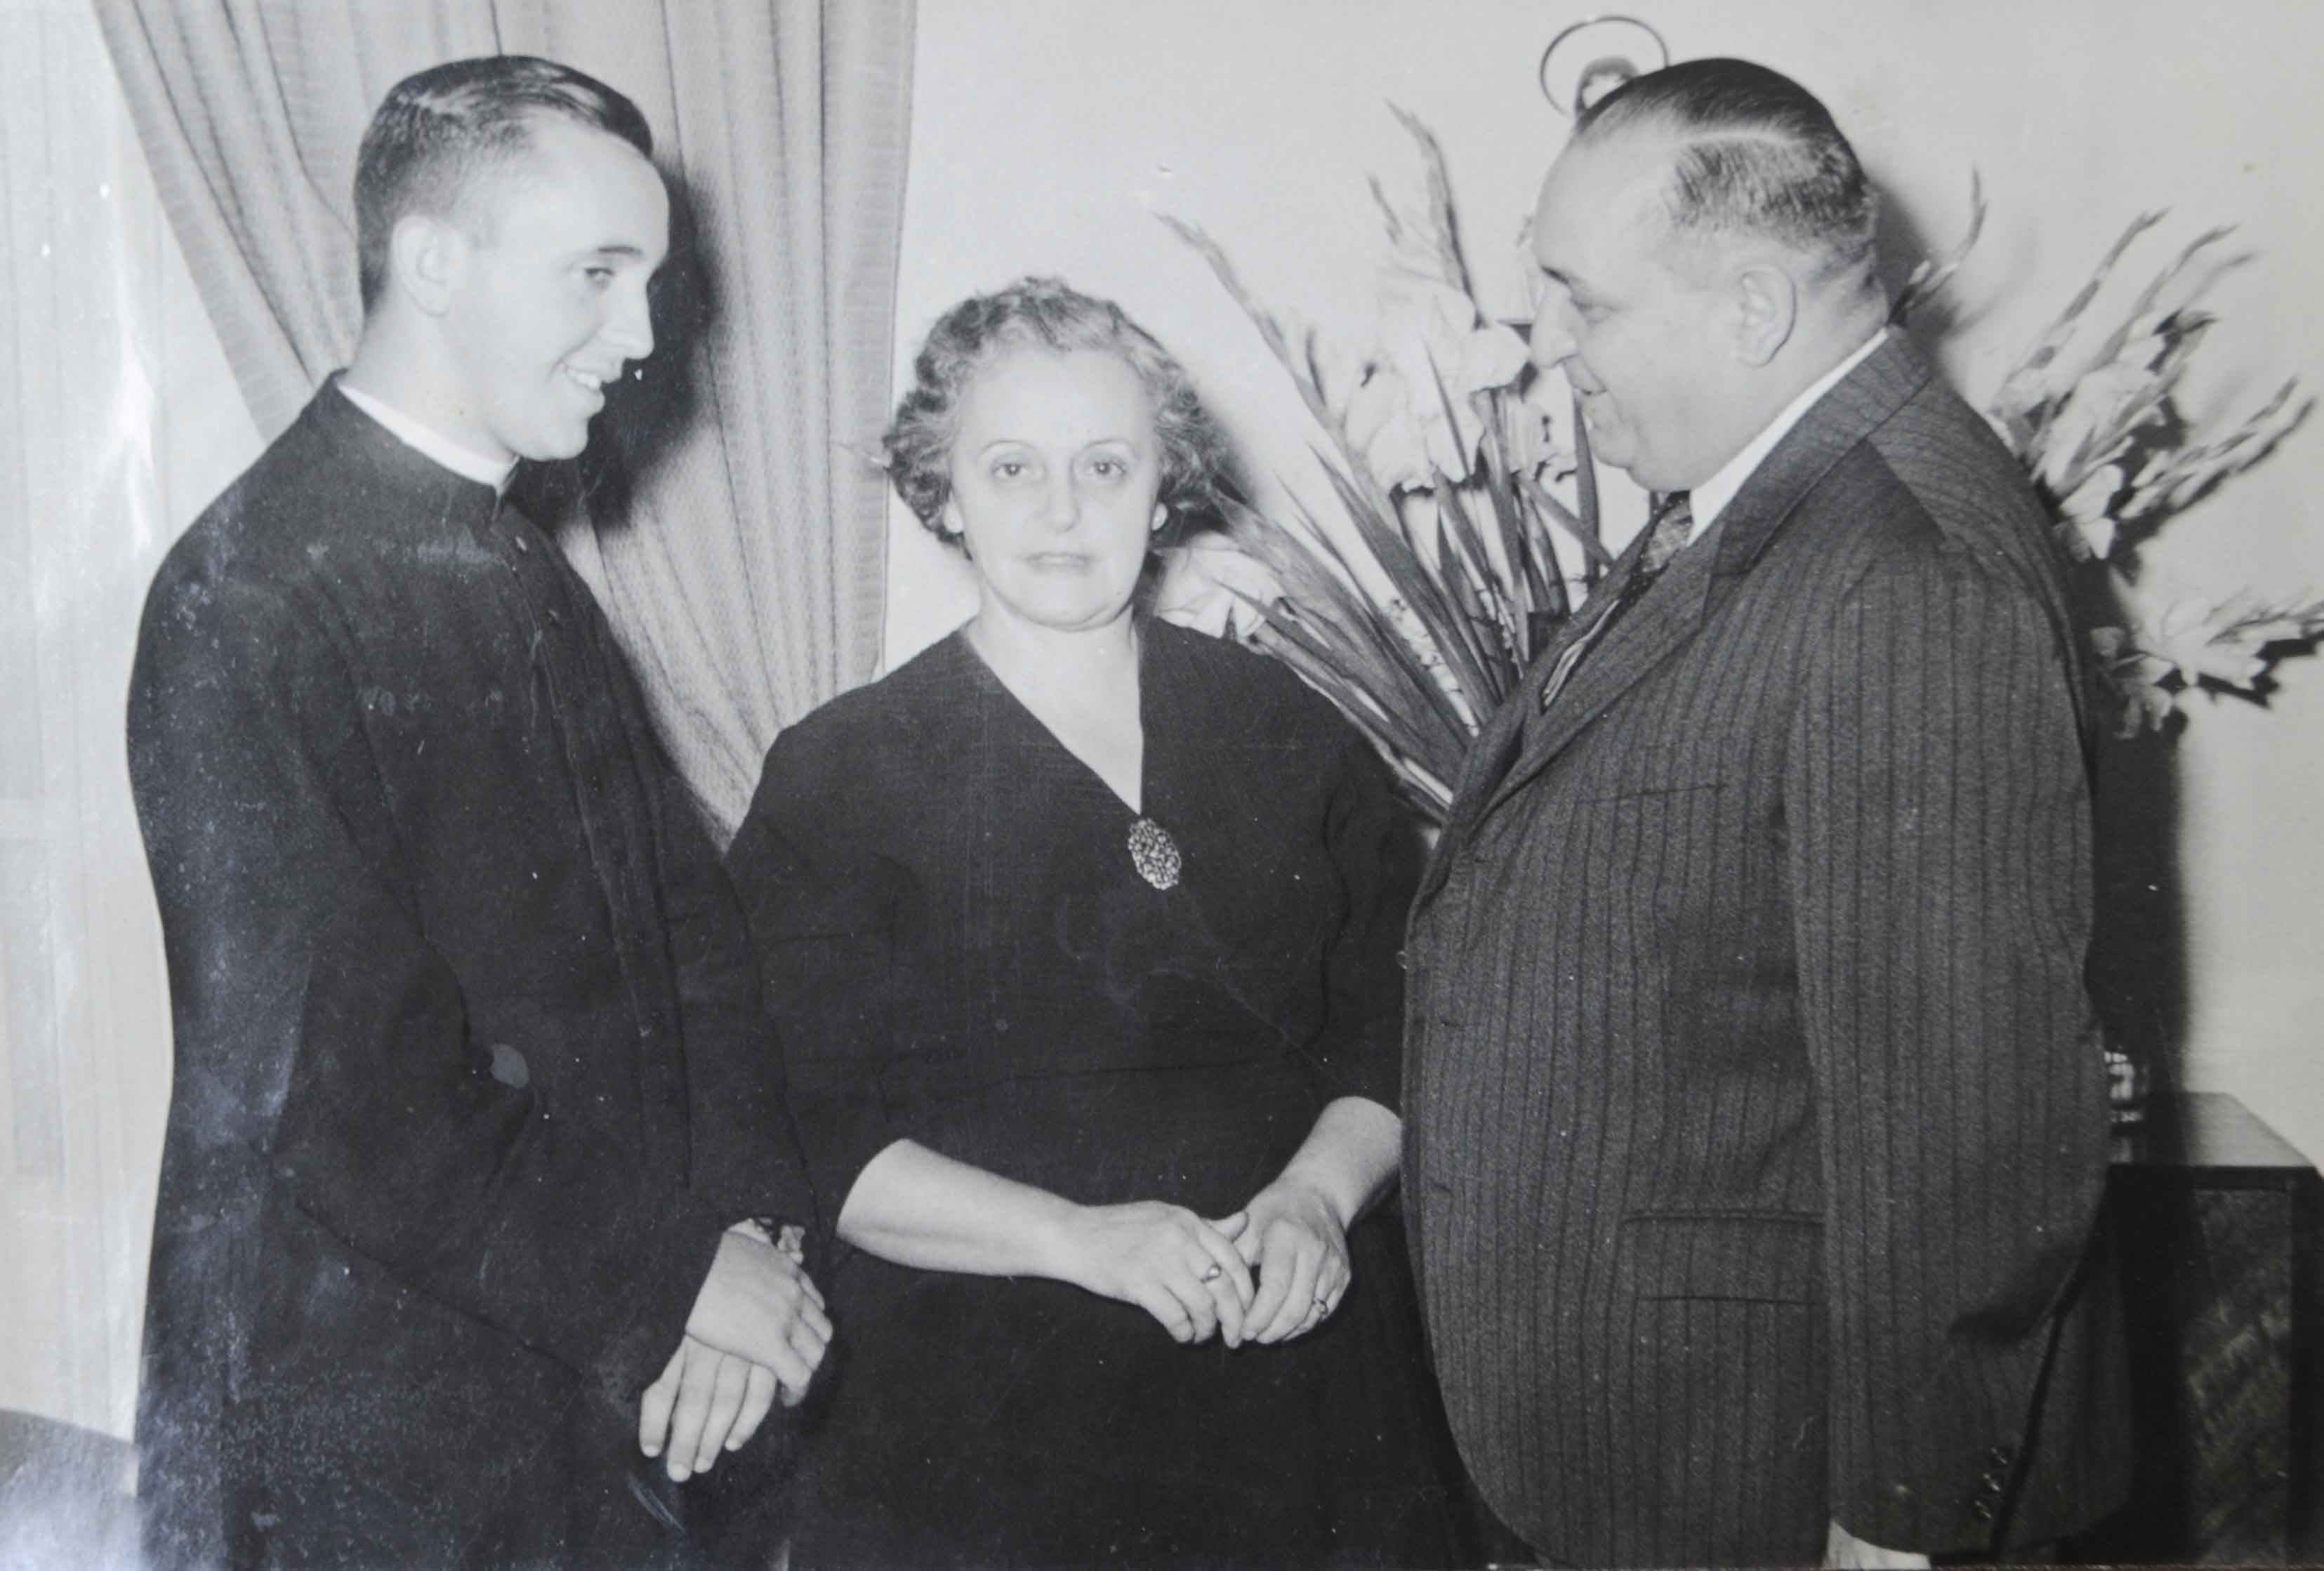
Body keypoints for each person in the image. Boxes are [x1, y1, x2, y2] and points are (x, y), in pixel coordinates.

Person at [1401, 60, 2130, 1567]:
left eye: (1582, 305)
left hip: (1762, 1473)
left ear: (1747, 311)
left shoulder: (1902, 569)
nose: (1551, 350)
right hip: (1647, 1442)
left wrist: (1895, 1517)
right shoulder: (1765, 499)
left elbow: (1964, 1116)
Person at [127, 55, 829, 1567]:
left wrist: (747, 1244)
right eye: (596, 272)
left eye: (647, 278)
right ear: (431, 263)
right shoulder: (246, 594)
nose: (638, 337)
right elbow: (345, 1095)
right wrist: (674, 1286)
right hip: (375, 1450)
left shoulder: (510, 565)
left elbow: (691, 951)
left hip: (591, 1390)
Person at [725, 277, 1471, 1568]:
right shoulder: (841, 775)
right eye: (1011, 466)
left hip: (1298, 1385)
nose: (1061, 510)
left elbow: (1394, 1026)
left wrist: (1312, 1197)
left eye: (1105, 465)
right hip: (987, 1418)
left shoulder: (1284, 730)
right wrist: (1075, 1239)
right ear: (942, 490)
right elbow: (814, 1136)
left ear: (1161, 488)